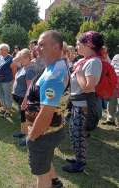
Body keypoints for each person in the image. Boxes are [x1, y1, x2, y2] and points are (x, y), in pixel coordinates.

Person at [25, 30, 70, 188]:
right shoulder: (53, 68)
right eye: (37, 44)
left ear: (55, 47)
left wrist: (33, 136)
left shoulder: (54, 75)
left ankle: (51, 183)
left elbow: (45, 116)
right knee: (46, 159)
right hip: (49, 133)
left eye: (42, 45)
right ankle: (56, 183)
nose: (37, 47)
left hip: (44, 134)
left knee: (41, 173)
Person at [62, 31, 103, 173]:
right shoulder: (86, 60)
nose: (77, 47)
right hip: (77, 105)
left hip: (83, 107)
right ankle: (79, 157)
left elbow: (87, 88)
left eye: (79, 45)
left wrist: (78, 72)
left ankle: (80, 163)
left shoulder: (93, 62)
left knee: (79, 134)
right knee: (74, 133)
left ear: (88, 45)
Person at [12, 49, 36, 146]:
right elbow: (14, 60)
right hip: (20, 97)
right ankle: (23, 132)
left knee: (25, 118)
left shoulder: (30, 71)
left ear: (27, 59)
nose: (19, 61)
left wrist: (24, 102)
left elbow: (29, 88)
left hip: (24, 98)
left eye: (21, 59)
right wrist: (20, 55)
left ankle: (27, 139)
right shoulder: (24, 66)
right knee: (22, 117)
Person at [0, 44, 17, 118]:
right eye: (0, 49)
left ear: (7, 50)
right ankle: (3, 108)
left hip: (7, 80)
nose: (0, 51)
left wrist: (13, 80)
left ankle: (8, 110)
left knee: (7, 96)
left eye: (2, 49)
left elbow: (14, 70)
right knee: (1, 95)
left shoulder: (10, 59)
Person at [101, 45, 119, 129]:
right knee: (111, 103)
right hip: (113, 83)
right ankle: (110, 119)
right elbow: (111, 67)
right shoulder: (116, 56)